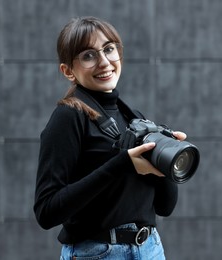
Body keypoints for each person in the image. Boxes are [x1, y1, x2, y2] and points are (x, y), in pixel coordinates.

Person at [34, 16, 187, 260]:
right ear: (68, 71)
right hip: (97, 253)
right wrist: (122, 164)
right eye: (88, 55)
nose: (104, 62)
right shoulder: (68, 117)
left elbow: (164, 207)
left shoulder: (132, 117)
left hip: (150, 248)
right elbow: (46, 211)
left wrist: (167, 161)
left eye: (109, 49)